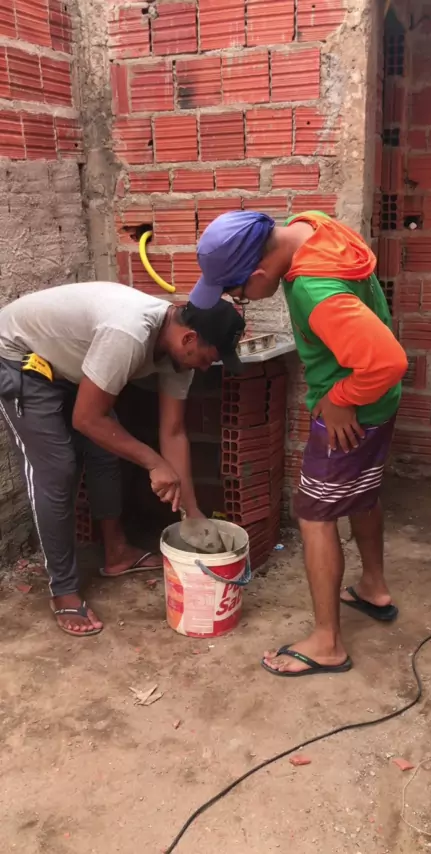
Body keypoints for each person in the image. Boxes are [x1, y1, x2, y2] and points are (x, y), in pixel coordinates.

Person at [189, 210, 408, 676]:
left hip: (352, 412)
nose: (238, 300)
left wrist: (341, 398)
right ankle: (373, 587)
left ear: (258, 275)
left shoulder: (314, 289)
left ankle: (327, 643)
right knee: (361, 493)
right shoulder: (311, 226)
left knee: (314, 515)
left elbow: (388, 362)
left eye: (235, 292)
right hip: (376, 405)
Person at [0, 282, 244, 637]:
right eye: (209, 358)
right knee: (57, 468)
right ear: (189, 339)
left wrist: (192, 513)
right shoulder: (128, 333)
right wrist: (153, 462)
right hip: (20, 356)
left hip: (69, 363)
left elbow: (174, 432)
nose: (208, 367)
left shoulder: (180, 355)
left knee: (106, 448)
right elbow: (87, 419)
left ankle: (117, 554)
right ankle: (63, 590)